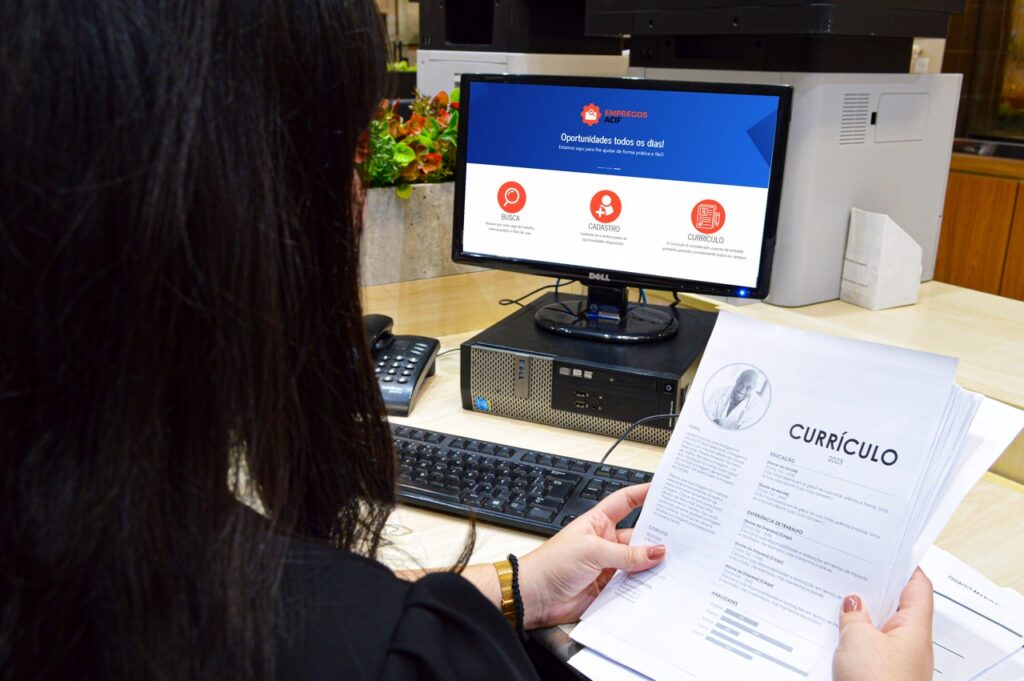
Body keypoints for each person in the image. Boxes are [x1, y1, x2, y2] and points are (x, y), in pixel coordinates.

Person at [0, 1, 932, 680]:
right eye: (347, 155)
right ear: (234, 220)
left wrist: (520, 584)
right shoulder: (357, 651)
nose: (357, 198)